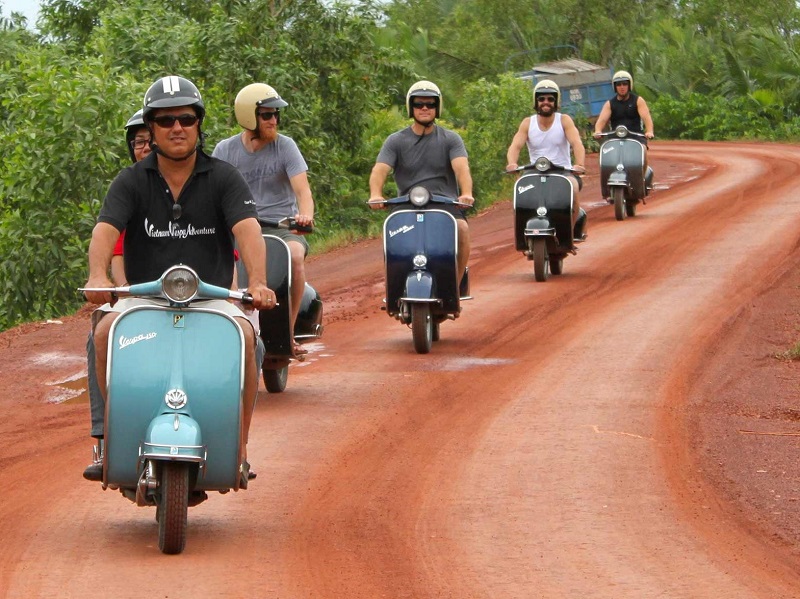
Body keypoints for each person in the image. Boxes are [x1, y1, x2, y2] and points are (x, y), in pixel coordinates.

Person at [82, 75, 275, 481]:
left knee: (247, 341)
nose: (177, 128)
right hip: (146, 298)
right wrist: (97, 274)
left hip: (212, 297)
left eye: (186, 119)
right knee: (102, 335)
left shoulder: (224, 177)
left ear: (199, 124)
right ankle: (108, 440)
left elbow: (248, 230)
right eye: (165, 120)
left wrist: (257, 281)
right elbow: (105, 231)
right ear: (150, 129)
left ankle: (239, 448)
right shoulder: (131, 180)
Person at [212, 83, 314, 357]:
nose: (274, 121)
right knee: (218, 263)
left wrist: (305, 215)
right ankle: (228, 331)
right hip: (238, 228)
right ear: (249, 117)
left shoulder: (285, 146)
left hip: (280, 228)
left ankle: (288, 334)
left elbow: (303, 190)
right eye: (267, 115)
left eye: (276, 115)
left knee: (294, 256)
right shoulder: (225, 150)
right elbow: (211, 191)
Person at [84, 108, 151, 455]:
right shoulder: (128, 188)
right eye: (138, 142)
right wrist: (121, 291)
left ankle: (234, 443)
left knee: (249, 340)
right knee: (99, 333)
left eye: (149, 140)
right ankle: (105, 431)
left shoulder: (204, 183)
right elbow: (115, 250)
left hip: (193, 292)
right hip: (141, 292)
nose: (146, 148)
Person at [368, 80, 474, 285]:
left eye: (430, 104)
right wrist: (375, 194)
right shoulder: (396, 141)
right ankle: (395, 287)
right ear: (411, 107)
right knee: (392, 235)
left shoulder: (450, 139)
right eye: (419, 104)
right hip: (406, 204)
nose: (424, 108)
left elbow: (462, 168)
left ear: (438, 107)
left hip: (444, 204)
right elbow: (379, 170)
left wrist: (466, 193)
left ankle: (454, 284)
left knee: (461, 228)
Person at [505, 79, 587, 239]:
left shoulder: (564, 120)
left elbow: (577, 143)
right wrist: (512, 163)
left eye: (550, 99)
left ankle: (567, 233)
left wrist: (580, 164)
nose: (546, 102)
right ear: (536, 101)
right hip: (534, 172)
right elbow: (515, 146)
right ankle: (523, 235)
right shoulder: (527, 123)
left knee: (574, 188)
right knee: (519, 193)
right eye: (541, 99)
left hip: (562, 172)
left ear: (556, 101)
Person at [593, 70, 654, 191]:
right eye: (619, 84)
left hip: (635, 136)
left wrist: (649, 131)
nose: (622, 87)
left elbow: (646, 118)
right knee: (605, 156)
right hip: (616, 137)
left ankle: (640, 178)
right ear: (615, 87)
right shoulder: (610, 103)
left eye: (624, 84)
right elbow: (602, 120)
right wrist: (598, 130)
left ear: (629, 85)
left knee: (644, 153)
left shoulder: (638, 100)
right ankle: (608, 183)